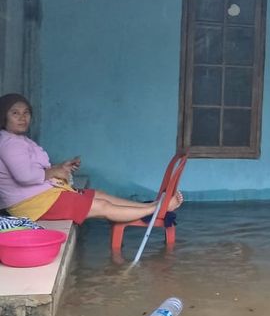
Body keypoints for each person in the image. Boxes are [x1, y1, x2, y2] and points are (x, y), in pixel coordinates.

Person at [0, 93, 182, 225]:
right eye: (15, 113)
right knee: (101, 205)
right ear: (4, 116)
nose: (22, 118)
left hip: (42, 195)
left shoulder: (17, 140)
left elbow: (33, 169)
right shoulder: (9, 143)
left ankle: (152, 206)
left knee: (99, 194)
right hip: (33, 204)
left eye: (26, 113)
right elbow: (25, 176)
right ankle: (157, 209)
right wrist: (55, 171)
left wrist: (61, 167)